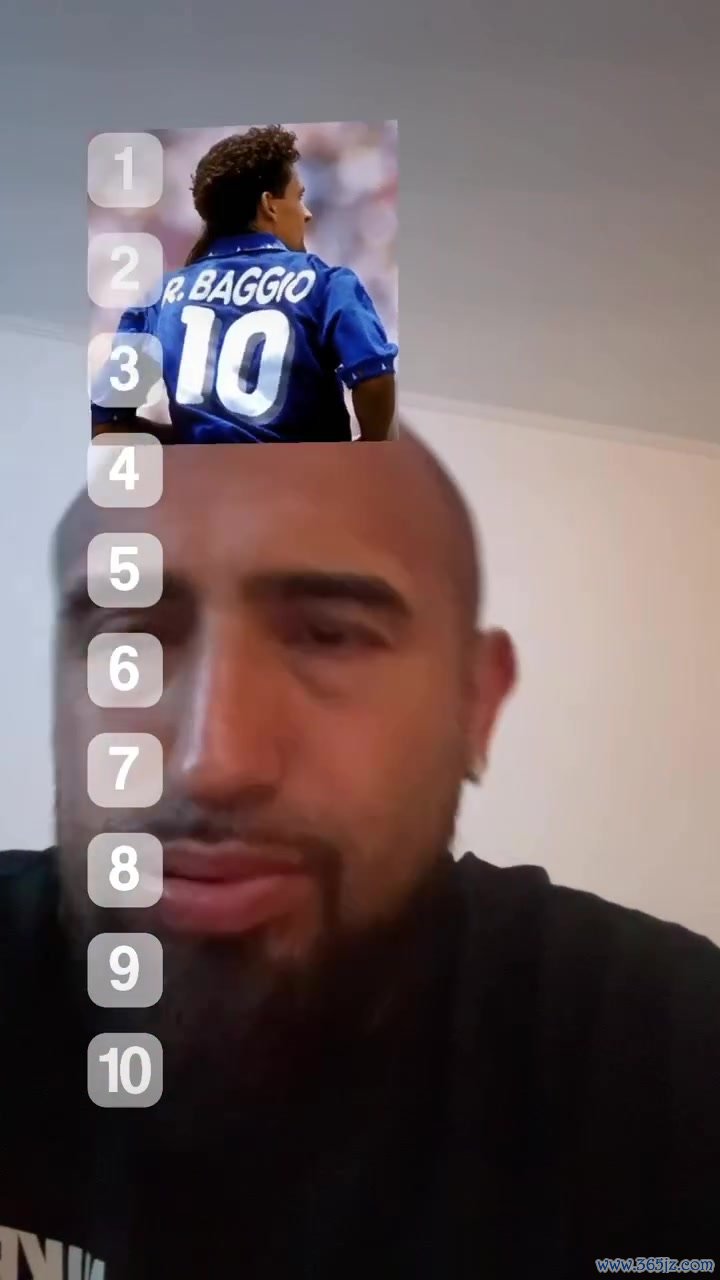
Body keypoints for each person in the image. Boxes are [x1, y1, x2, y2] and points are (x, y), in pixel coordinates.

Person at [1, 435, 718, 1280]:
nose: (213, 761)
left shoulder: (669, 1054)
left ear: (477, 705)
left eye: (329, 636)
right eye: (129, 639)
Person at [90, 126, 398, 444]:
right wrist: (370, 448)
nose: (306, 213)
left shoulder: (158, 298)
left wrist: (188, 442)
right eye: (298, 197)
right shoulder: (328, 283)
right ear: (269, 205)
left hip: (204, 476)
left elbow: (106, 419)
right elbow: (374, 377)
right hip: (305, 474)